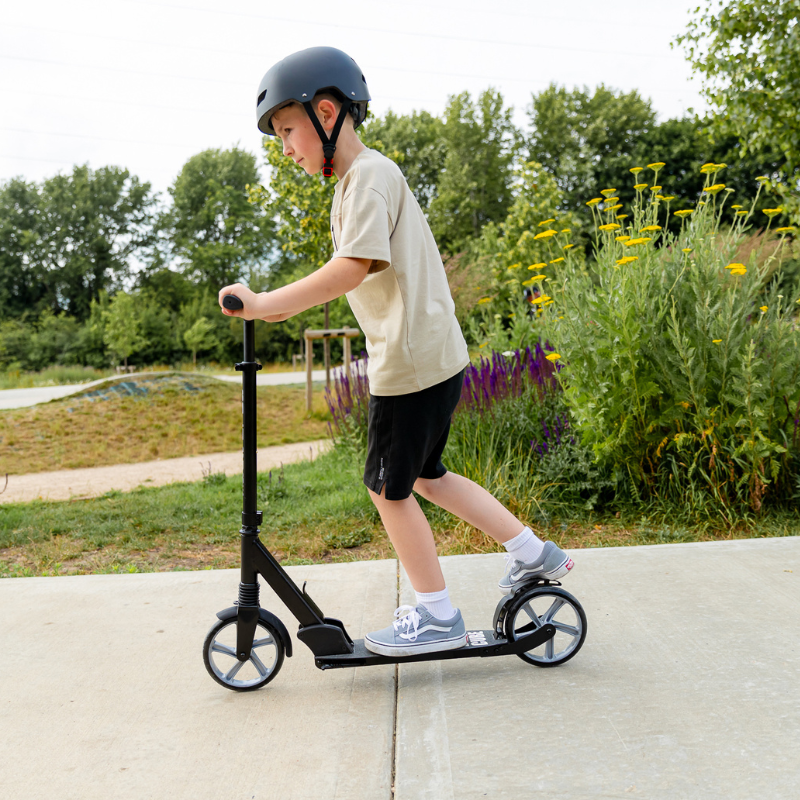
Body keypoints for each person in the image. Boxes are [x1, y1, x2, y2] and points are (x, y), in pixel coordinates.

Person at [218, 46, 573, 658]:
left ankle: (437, 615)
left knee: (389, 490)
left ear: (326, 113)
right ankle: (534, 553)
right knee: (427, 478)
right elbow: (347, 268)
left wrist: (264, 302)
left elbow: (350, 270)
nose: (285, 148)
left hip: (408, 368)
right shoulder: (362, 181)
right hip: (433, 358)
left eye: (287, 130)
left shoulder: (368, 178)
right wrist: (273, 305)